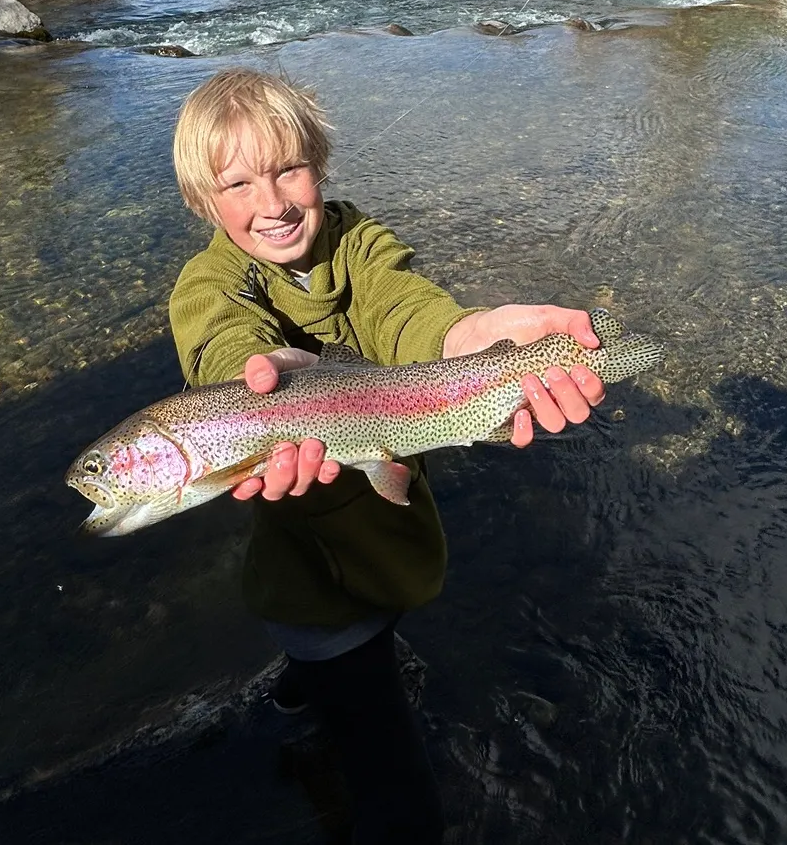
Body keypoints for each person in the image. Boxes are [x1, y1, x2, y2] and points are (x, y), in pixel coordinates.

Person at [167, 67, 604, 843]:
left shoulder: (359, 241)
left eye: (288, 171)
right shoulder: (207, 284)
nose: (271, 203)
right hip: (317, 589)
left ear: (319, 166)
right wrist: (250, 389)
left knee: (355, 653)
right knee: (396, 785)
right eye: (237, 184)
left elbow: (404, 306)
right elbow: (221, 342)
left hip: (393, 541)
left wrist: (465, 341)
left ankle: (295, 703)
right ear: (204, 201)